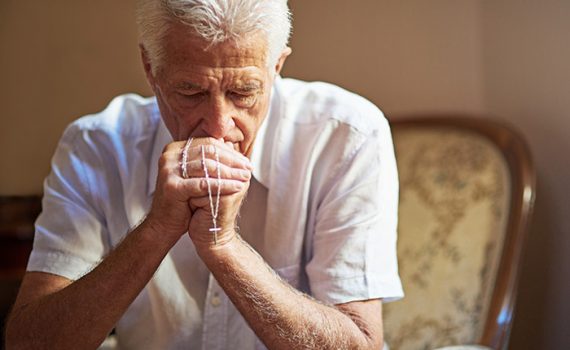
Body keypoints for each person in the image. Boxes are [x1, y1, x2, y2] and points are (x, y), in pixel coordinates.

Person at [6, 1, 403, 349]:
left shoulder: (347, 135)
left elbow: (358, 344)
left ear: (276, 67)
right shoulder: (95, 148)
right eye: (190, 91)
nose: (217, 127)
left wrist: (224, 247)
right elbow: (28, 344)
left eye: (244, 91)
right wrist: (157, 228)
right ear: (150, 69)